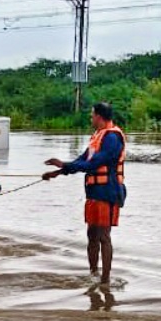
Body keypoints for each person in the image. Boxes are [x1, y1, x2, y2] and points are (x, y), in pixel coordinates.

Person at [42, 101, 127, 285]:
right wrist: (59, 171)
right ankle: (93, 274)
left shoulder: (113, 138)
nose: (91, 118)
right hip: (94, 192)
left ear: (99, 116)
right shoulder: (98, 136)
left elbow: (93, 164)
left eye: (92, 115)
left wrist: (64, 165)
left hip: (108, 191)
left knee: (104, 236)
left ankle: (105, 281)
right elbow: (83, 160)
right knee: (92, 234)